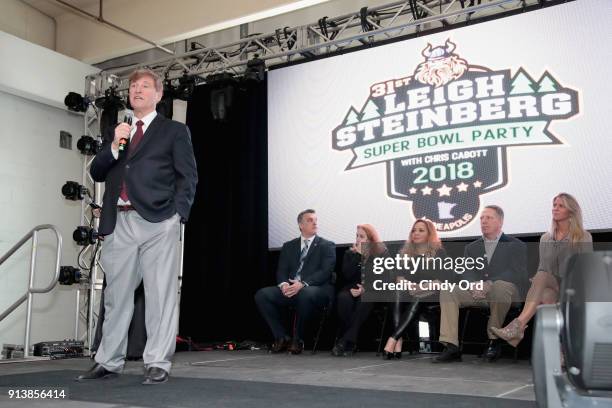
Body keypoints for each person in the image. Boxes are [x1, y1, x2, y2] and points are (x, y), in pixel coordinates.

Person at [77, 68, 198, 385]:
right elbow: (98, 173)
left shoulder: (174, 131)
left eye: (145, 86)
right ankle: (108, 361)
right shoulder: (119, 130)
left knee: (160, 295)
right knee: (116, 296)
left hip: (159, 220)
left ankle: (157, 361)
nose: (138, 90)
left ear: (159, 95)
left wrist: (178, 215)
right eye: (133, 86)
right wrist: (115, 145)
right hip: (120, 221)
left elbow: (188, 177)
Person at [491, 193, 592, 346]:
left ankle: (517, 327)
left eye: (560, 206)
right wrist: (536, 280)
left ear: (571, 211)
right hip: (551, 284)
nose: (555, 209)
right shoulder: (546, 238)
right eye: (554, 205)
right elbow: (543, 267)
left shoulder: (582, 236)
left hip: (573, 285)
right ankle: (561, 350)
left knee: (542, 277)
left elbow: (586, 269)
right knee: (545, 296)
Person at [434, 205, 527, 363]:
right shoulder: (472, 247)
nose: (484, 221)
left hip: (508, 293)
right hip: (479, 292)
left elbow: (517, 273)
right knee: (449, 290)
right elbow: (467, 271)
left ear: (500, 222)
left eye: (489, 218)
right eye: (482, 218)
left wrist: (489, 283)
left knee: (500, 287)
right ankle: (451, 346)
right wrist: (472, 285)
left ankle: (494, 341)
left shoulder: (516, 244)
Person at [255, 209, 336, 354]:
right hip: (293, 289)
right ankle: (281, 337)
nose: (315, 222)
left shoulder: (326, 245)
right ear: (300, 225)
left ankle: (298, 339)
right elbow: (281, 271)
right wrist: (284, 284)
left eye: (315, 220)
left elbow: (325, 272)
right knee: (262, 295)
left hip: (317, 290)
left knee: (304, 293)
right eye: (310, 220)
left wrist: (303, 283)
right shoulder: (289, 246)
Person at [382, 219, 446, 359]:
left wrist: (421, 287)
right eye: (414, 230)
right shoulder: (405, 252)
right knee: (397, 291)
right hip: (410, 291)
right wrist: (410, 285)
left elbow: (442, 280)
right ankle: (398, 341)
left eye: (421, 230)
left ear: (429, 234)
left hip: (431, 293)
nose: (416, 233)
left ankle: (393, 338)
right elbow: (398, 276)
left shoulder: (438, 253)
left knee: (419, 297)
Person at [332, 224, 387, 357]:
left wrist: (366, 288)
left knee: (365, 298)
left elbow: (382, 277)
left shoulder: (381, 253)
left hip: (373, 289)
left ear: (370, 239)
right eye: (357, 236)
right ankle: (350, 342)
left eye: (361, 236)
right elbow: (347, 275)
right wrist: (358, 256)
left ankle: (345, 340)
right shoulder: (349, 253)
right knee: (343, 298)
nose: (357, 239)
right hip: (352, 287)